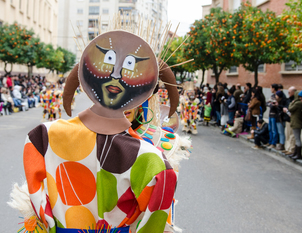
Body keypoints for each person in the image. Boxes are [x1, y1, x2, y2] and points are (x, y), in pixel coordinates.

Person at [10, 28, 177, 233]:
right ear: (143, 92)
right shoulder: (153, 159)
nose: (116, 74)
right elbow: (155, 220)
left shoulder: (43, 137)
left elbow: (38, 202)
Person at [288, 90, 302, 160]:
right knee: (296, 138)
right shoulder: (301, 103)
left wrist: (291, 103)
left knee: (297, 138)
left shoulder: (298, 103)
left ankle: (298, 154)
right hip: (297, 122)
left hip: (296, 122)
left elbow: (290, 109)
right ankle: (295, 153)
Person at [283, 86, 296, 155]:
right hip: (287, 119)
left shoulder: (295, 100)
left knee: (292, 135)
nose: (288, 93)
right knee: (287, 134)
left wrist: (287, 111)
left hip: (292, 119)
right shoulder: (288, 99)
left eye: (289, 92)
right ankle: (287, 148)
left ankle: (291, 149)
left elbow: (291, 110)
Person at [267, 84, 279, 148]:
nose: (270, 89)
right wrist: (271, 104)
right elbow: (267, 103)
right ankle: (270, 141)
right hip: (270, 114)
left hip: (274, 115)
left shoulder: (277, 96)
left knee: (274, 130)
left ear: (273, 88)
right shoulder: (272, 96)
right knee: (270, 129)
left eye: (271, 88)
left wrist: (272, 104)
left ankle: (273, 143)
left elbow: (275, 105)